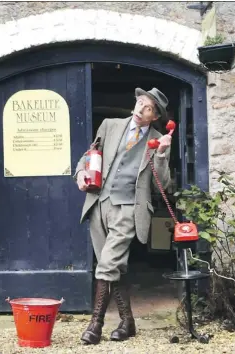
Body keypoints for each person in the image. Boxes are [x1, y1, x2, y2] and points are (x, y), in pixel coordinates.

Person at [74, 87, 172, 345]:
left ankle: (95, 325)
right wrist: (81, 173)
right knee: (116, 266)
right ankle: (128, 322)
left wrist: (161, 154)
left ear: (155, 116)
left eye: (148, 108)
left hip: (129, 207)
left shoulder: (158, 140)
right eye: (140, 102)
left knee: (106, 264)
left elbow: (162, 186)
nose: (141, 109)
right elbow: (89, 156)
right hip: (99, 203)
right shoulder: (110, 125)